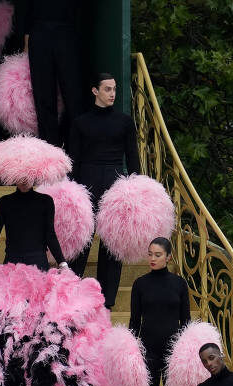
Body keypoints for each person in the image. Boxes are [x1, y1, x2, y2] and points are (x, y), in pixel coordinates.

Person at [68, 73, 140, 309]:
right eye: (107, 89)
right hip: (86, 183)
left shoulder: (125, 122)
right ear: (95, 91)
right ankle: (73, 294)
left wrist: (136, 188)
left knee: (112, 242)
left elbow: (133, 158)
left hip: (115, 183)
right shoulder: (80, 122)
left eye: (114, 89)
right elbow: (74, 160)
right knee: (82, 239)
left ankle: (106, 299)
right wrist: (73, 190)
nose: (112, 94)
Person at [128, 237, 190, 386]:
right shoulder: (140, 284)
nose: (152, 258)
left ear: (168, 257)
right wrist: (132, 351)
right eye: (150, 254)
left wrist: (185, 353)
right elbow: (134, 323)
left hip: (173, 352)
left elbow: (186, 322)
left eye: (157, 254)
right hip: (148, 350)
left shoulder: (179, 284)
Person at [22, 0, 83, 147]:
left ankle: (76, 148)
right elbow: (26, 9)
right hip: (40, 32)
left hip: (66, 31)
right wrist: (26, 42)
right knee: (43, 94)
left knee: (73, 93)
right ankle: (49, 149)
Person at [0, 180, 67, 272]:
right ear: (14, 176)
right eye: (20, 177)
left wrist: (63, 264)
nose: (24, 180)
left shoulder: (46, 201)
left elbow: (50, 235)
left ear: (34, 176)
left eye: (28, 176)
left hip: (38, 265)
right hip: (12, 264)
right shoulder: (4, 202)